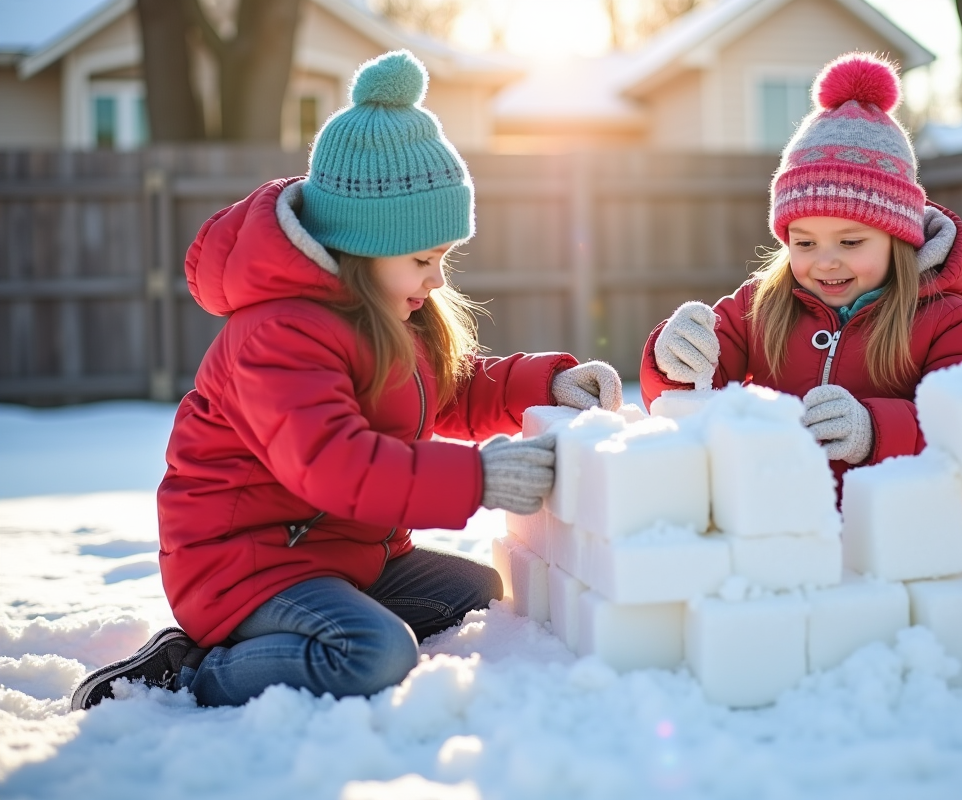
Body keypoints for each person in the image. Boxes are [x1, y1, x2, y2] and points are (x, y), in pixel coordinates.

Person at [72, 51, 622, 710]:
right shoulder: (278, 334)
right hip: (248, 564)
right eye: (423, 259)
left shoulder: (391, 314)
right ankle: (189, 672)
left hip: (346, 555)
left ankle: (317, 627)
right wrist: (477, 478)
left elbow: (451, 391)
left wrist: (547, 384)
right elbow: (334, 464)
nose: (437, 279)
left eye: (443, 259)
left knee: (477, 591)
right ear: (364, 247)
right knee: (376, 654)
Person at [641, 53, 962, 485]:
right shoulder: (760, 306)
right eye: (805, 243)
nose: (826, 261)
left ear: (899, 237)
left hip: (896, 523)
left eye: (850, 242)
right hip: (774, 513)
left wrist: (875, 431)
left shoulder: (947, 323)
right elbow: (690, 398)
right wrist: (674, 361)